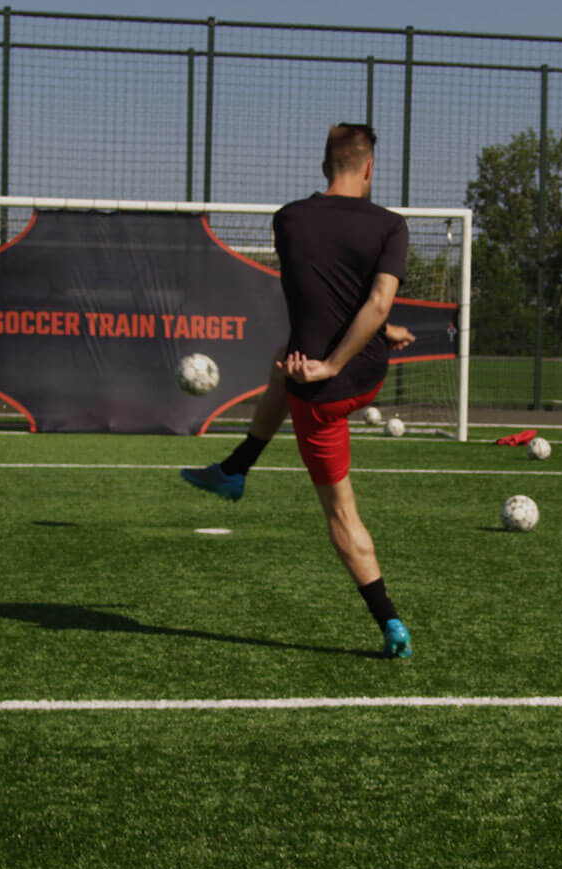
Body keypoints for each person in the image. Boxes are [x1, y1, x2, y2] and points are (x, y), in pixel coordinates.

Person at [182, 123, 415, 659]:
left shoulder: (289, 219)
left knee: (341, 513)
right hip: (368, 374)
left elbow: (317, 292)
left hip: (320, 391)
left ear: (324, 166)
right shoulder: (392, 226)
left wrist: (327, 364)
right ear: (369, 168)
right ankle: (236, 467)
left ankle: (391, 622)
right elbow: (372, 302)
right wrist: (379, 334)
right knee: (281, 364)